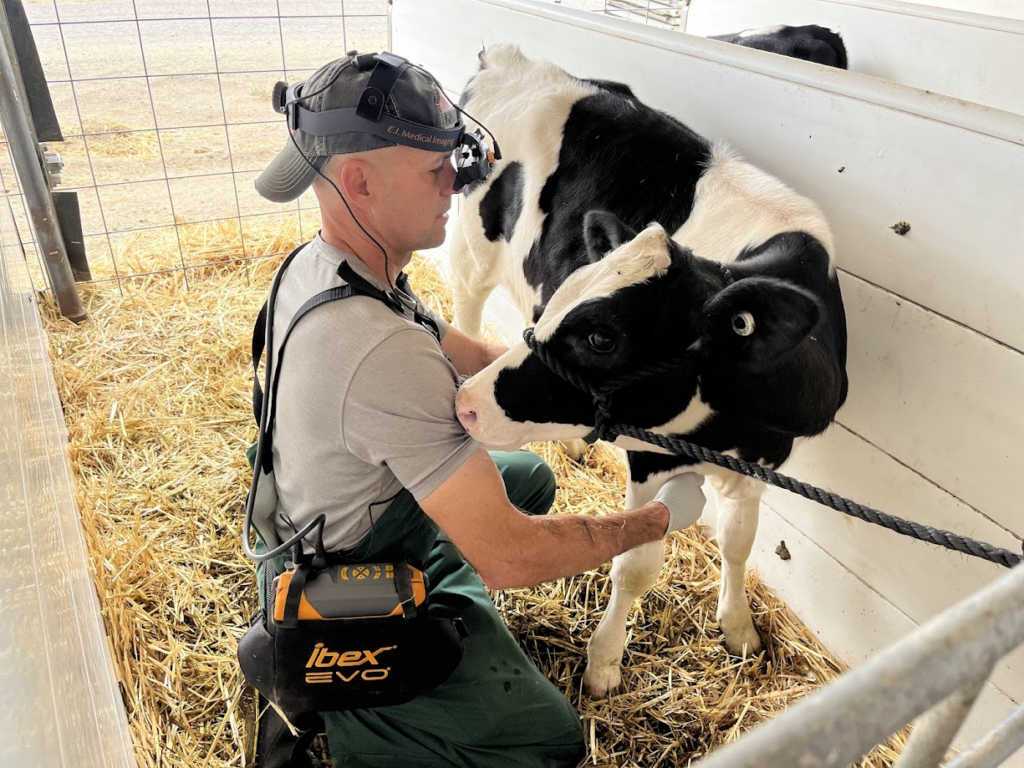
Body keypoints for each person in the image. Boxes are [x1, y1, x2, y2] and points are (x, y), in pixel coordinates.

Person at [247, 50, 705, 768]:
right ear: (360, 182)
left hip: (329, 500)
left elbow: (463, 348)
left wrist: (597, 397)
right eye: (436, 171)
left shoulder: (339, 266)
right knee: (547, 739)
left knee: (529, 479)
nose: (458, 187)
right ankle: (359, 723)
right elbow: (512, 558)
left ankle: (440, 578)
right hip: (342, 569)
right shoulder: (376, 352)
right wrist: (658, 518)